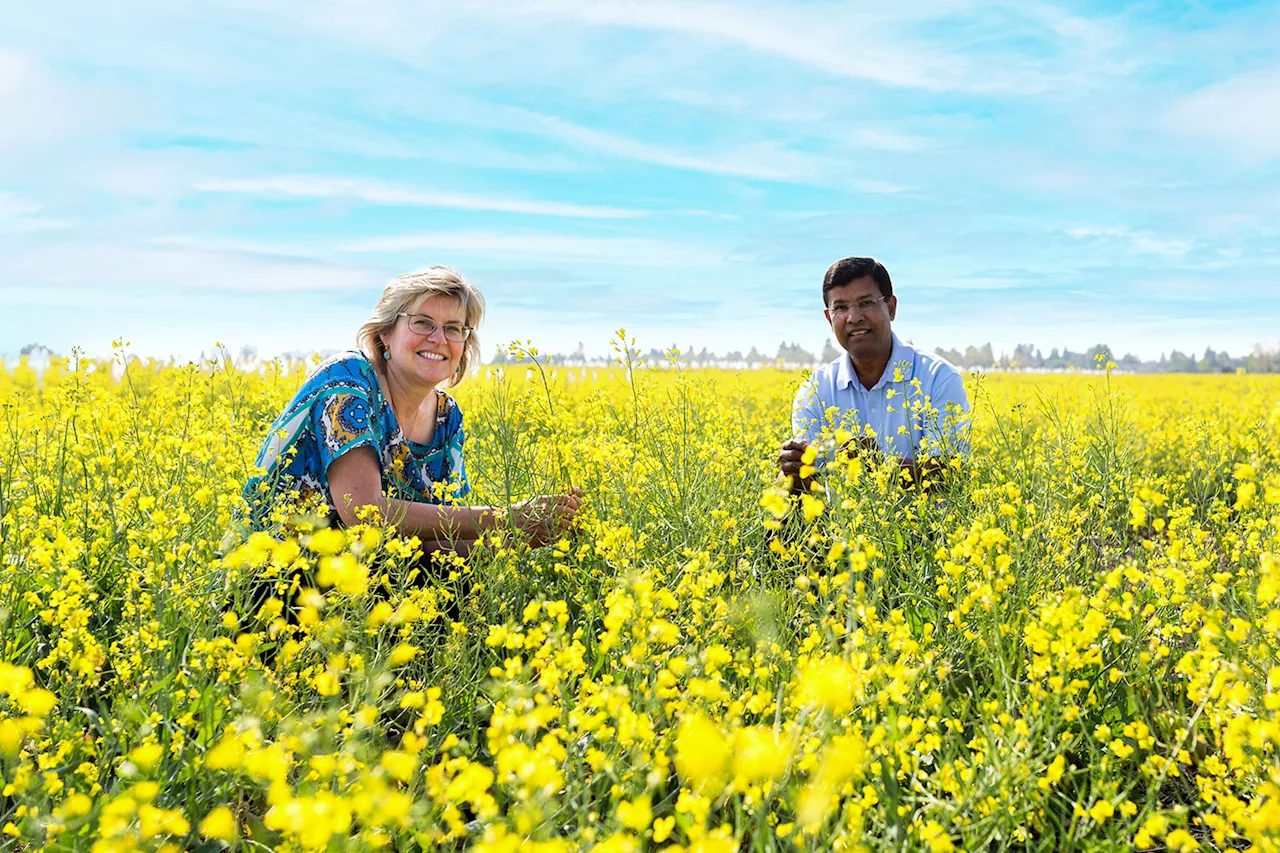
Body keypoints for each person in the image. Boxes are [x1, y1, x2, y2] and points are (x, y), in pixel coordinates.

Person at [243, 266, 582, 553]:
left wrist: (522, 534)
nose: (438, 338)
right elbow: (363, 514)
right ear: (385, 334)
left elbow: (444, 540)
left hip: (364, 589)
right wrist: (503, 517)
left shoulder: (446, 417)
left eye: (453, 329)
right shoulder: (347, 381)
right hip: (274, 581)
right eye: (422, 323)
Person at [779, 257, 970, 492]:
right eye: (840, 307)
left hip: (926, 528)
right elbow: (811, 484)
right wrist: (794, 470)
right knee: (782, 487)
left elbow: (951, 471)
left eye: (866, 302)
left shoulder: (938, 378)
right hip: (838, 529)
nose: (854, 317)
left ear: (891, 308)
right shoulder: (816, 390)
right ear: (829, 318)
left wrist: (881, 469)